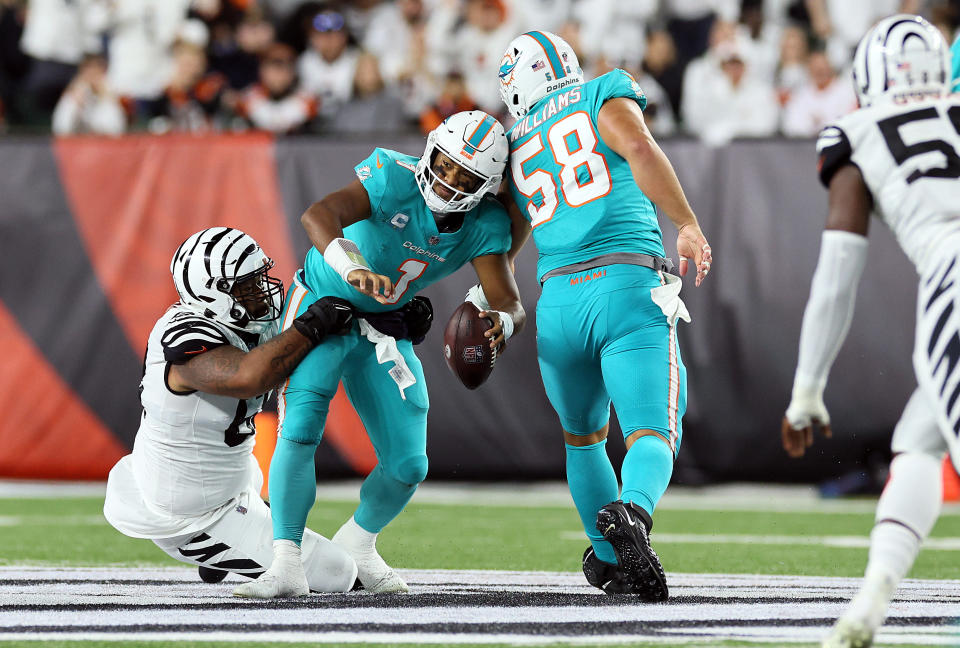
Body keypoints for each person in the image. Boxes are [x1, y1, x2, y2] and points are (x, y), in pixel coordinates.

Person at [233, 110, 526, 598]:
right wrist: (353, 269)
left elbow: (508, 300)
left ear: (486, 186)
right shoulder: (393, 174)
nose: (448, 179)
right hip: (322, 309)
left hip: (385, 328)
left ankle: (360, 542)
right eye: (445, 163)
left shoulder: (485, 223)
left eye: (465, 175)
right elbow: (318, 215)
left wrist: (504, 323)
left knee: (409, 463)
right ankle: (285, 561)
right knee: (301, 427)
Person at [495, 30, 712, 600]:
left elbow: (507, 240)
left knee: (583, 440)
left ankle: (614, 560)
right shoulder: (601, 93)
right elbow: (639, 148)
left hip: (558, 303)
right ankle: (633, 516)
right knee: (652, 429)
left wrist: (483, 302)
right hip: (625, 282)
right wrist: (686, 221)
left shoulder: (514, 141)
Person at [781, 15, 960, 648]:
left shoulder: (856, 133)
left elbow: (837, 276)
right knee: (919, 437)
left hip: (955, 278)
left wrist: (807, 388)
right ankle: (870, 603)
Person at [103, 227, 358, 593]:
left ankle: (239, 537)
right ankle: (216, 548)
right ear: (214, 294)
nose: (262, 290)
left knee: (263, 500)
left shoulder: (247, 321)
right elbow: (248, 377)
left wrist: (392, 319)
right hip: (189, 515)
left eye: (259, 278)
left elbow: (316, 326)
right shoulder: (185, 336)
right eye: (247, 285)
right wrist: (313, 324)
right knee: (339, 575)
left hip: (231, 475)